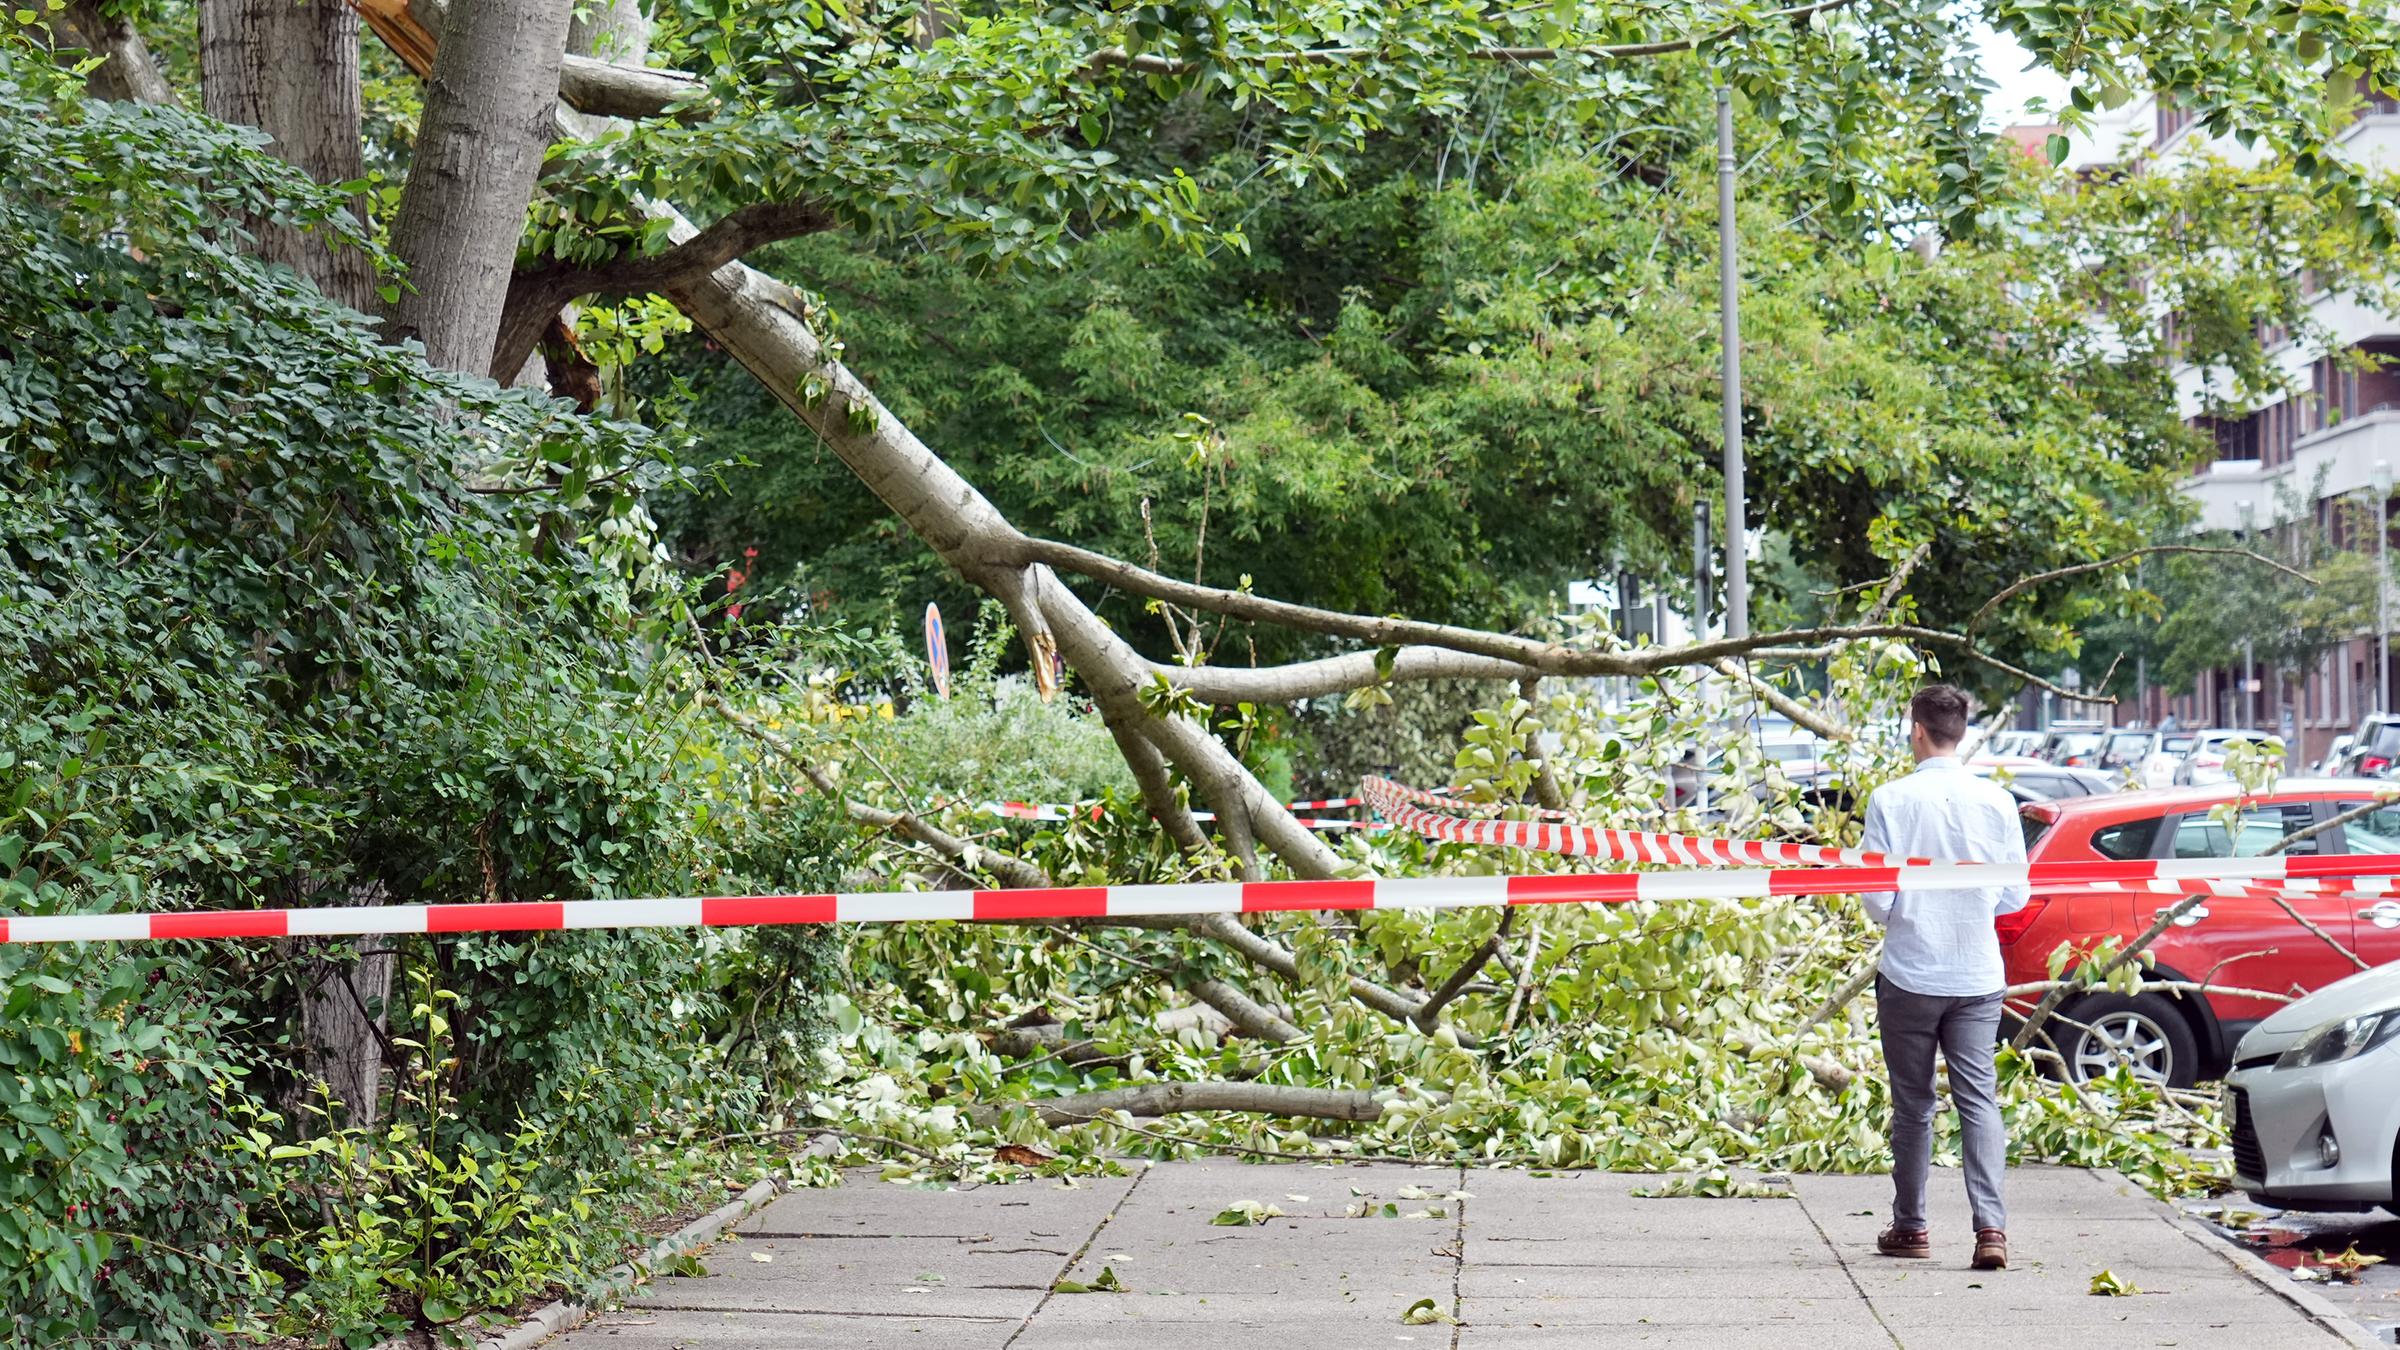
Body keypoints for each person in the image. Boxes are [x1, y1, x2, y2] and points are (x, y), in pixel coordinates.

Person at [1860, 684, 2028, 1272]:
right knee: (1978, 1099)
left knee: (1913, 1105)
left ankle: (1911, 1228)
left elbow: (1877, 898)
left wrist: (1910, 912)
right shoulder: (1998, 803)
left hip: (1910, 972)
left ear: (1917, 729)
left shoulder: (1890, 799)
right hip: (1978, 972)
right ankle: (1991, 1230)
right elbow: (2014, 895)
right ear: (1963, 731)